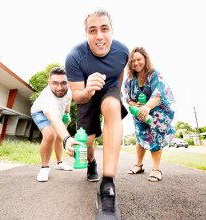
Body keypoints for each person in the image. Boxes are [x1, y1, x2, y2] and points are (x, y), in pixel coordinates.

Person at [65, 8, 129, 220]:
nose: (99, 35)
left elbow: (120, 71)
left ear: (112, 31)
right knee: (88, 143)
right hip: (86, 93)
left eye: (104, 29)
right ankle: (91, 163)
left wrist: (117, 93)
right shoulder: (75, 57)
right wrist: (88, 90)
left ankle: (107, 186)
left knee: (112, 105)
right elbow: (76, 96)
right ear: (86, 35)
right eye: (92, 31)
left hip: (109, 90)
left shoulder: (122, 51)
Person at [124, 47, 175, 182]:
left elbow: (158, 95)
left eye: (139, 59)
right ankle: (139, 165)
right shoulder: (129, 79)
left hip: (158, 112)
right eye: (133, 61)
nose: (136, 63)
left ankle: (156, 169)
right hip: (140, 113)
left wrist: (147, 107)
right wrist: (137, 107)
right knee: (140, 136)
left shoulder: (155, 74)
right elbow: (127, 98)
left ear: (145, 59)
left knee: (156, 137)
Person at [31, 67, 81, 182]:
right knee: (50, 135)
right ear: (49, 83)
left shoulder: (69, 90)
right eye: (55, 83)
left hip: (60, 113)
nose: (60, 88)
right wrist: (68, 138)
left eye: (63, 83)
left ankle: (59, 163)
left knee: (59, 137)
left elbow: (68, 101)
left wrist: (67, 113)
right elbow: (53, 117)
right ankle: (44, 168)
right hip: (40, 112)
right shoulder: (47, 97)